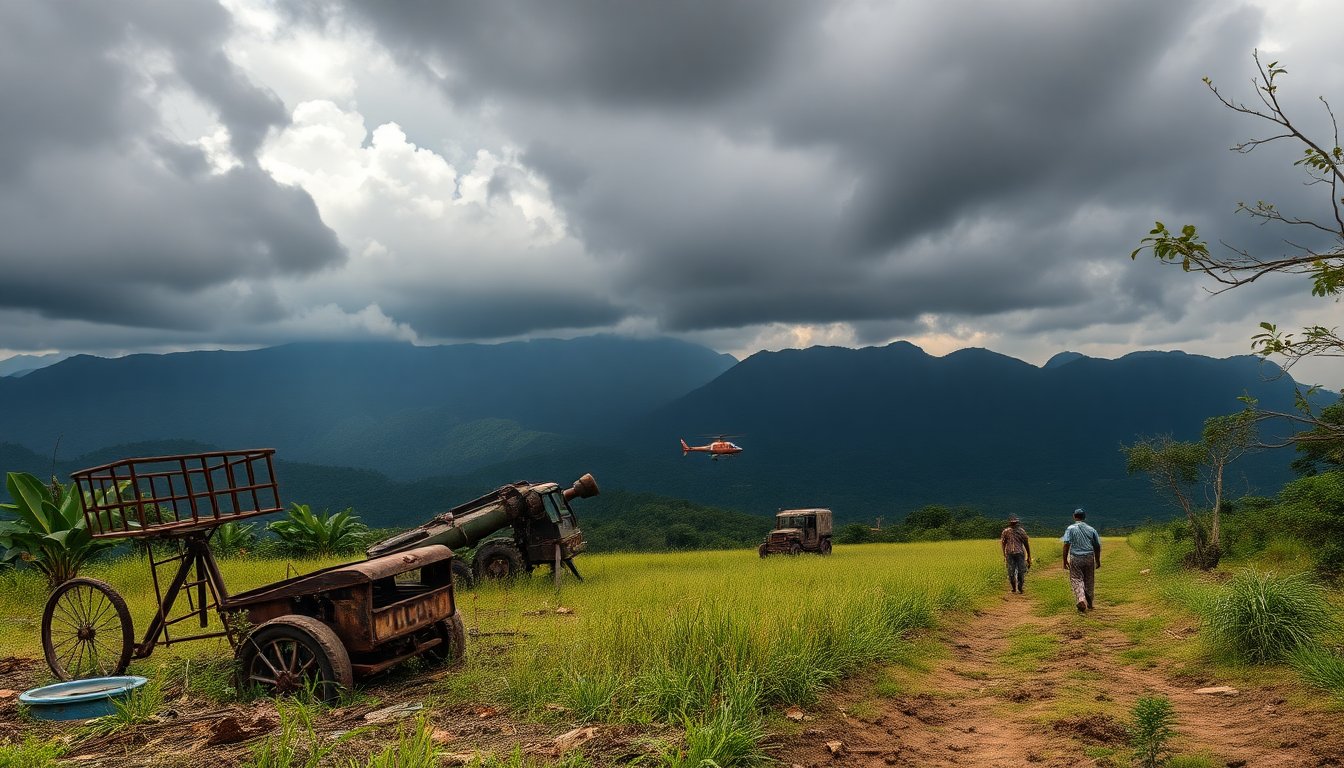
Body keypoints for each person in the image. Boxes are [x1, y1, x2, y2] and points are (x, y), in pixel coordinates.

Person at [1061, 508, 1101, 613]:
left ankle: (1081, 599)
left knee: (1076, 579)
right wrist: (1097, 560)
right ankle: (1090, 603)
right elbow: (1097, 546)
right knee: (1089, 580)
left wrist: (1064, 560)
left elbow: (1066, 545)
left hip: (1076, 558)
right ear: (1084, 517)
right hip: (1089, 557)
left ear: (1074, 516)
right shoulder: (1091, 529)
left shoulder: (1070, 529)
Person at [1000, 515, 1031, 593]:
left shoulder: (1021, 531)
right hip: (1009, 554)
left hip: (1020, 553)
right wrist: (1004, 554)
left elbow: (1026, 543)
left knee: (1021, 571)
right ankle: (1013, 588)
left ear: (1017, 523)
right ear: (1010, 523)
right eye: (1012, 522)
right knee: (1011, 572)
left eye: (1015, 522)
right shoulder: (1006, 531)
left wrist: (1029, 556)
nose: (1014, 524)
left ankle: (1020, 587)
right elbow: (1003, 543)